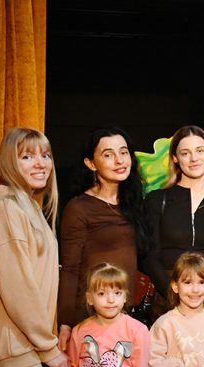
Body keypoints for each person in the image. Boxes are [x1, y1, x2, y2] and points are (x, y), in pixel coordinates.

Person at [0, 128, 69, 367]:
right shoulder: (6, 209)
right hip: (14, 344)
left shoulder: (28, 207)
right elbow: (18, 287)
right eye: (27, 156)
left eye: (45, 155)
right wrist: (49, 348)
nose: (40, 163)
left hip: (24, 344)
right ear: (10, 162)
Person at [58, 127, 148, 350]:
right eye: (108, 154)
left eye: (124, 152)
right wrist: (65, 323)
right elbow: (69, 268)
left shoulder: (133, 203)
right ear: (91, 163)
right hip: (89, 316)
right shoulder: (79, 207)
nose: (119, 160)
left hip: (123, 315)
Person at [143, 125, 204, 319]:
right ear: (175, 158)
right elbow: (150, 258)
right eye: (185, 153)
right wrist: (175, 298)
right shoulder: (157, 200)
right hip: (168, 301)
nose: (194, 158)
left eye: (200, 151)